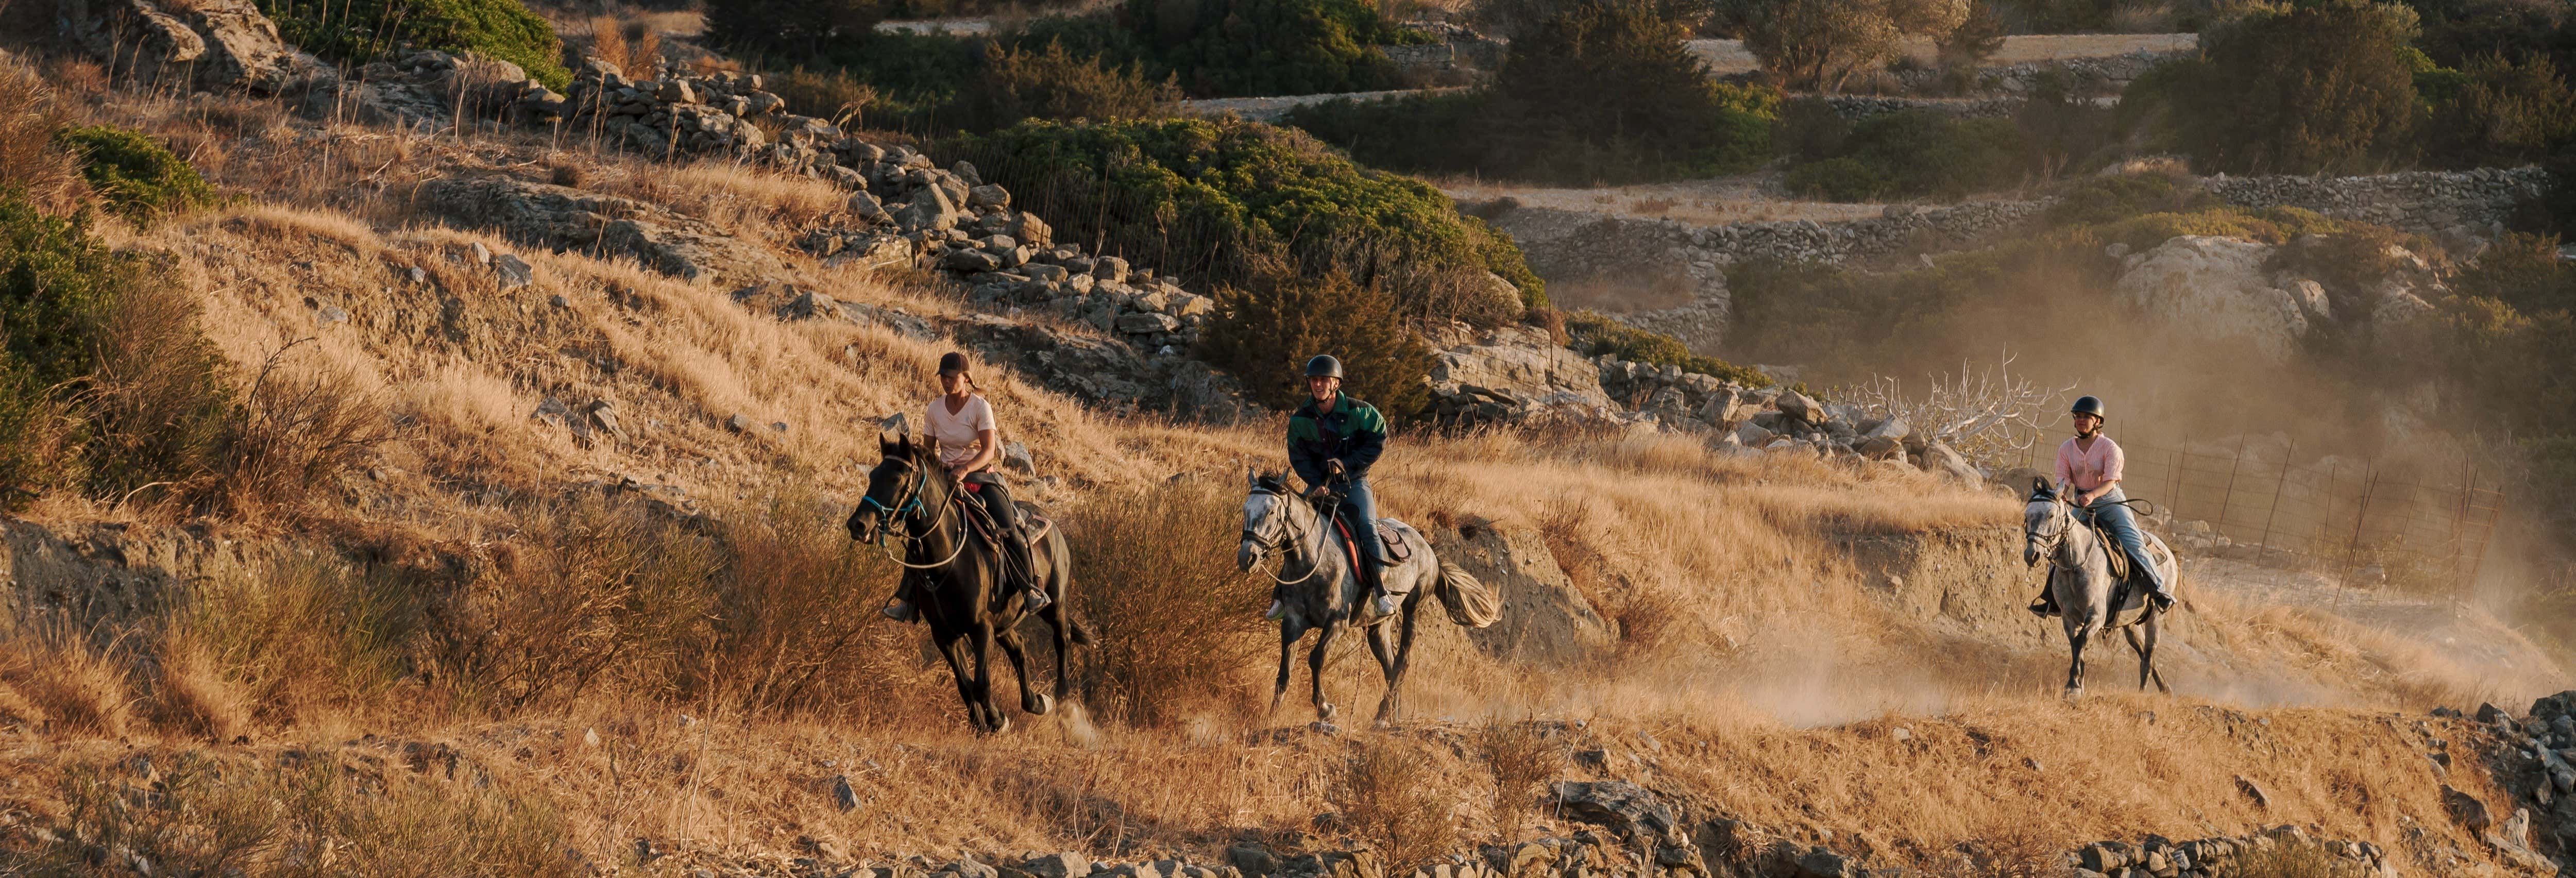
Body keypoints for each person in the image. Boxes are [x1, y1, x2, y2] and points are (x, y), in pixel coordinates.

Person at [884, 352, 1049, 622]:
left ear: (966, 378)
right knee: (920, 530)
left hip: (982, 479)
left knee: (1009, 528)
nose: (946, 382)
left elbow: (989, 451)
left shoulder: (980, 408)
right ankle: (907, 600)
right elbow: (928, 451)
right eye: (943, 377)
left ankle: (1029, 588)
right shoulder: (934, 410)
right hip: (947, 480)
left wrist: (965, 469)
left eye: (951, 377)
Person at [2030, 395, 2175, 617]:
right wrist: (2061, 496)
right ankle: (2052, 599)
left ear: (2098, 421)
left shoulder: (2110, 448)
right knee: (2059, 543)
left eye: (2086, 417)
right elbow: (2063, 481)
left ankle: (2159, 590)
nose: (2081, 420)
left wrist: (2092, 495)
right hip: (2081, 504)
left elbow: (2110, 482)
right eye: (2078, 416)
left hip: (2111, 503)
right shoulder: (2066, 449)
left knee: (2134, 543)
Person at [1279, 354, 1396, 621]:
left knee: (1366, 525)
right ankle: (1280, 595)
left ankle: (1382, 592)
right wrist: (1317, 483)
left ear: (1336, 384)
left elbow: (1379, 437)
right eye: (1314, 380)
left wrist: (1348, 463)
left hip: (1355, 483)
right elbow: (1298, 458)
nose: (1318, 384)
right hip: (1320, 485)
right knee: (1291, 523)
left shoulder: (1361, 412)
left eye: (1324, 380)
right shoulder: (1300, 420)